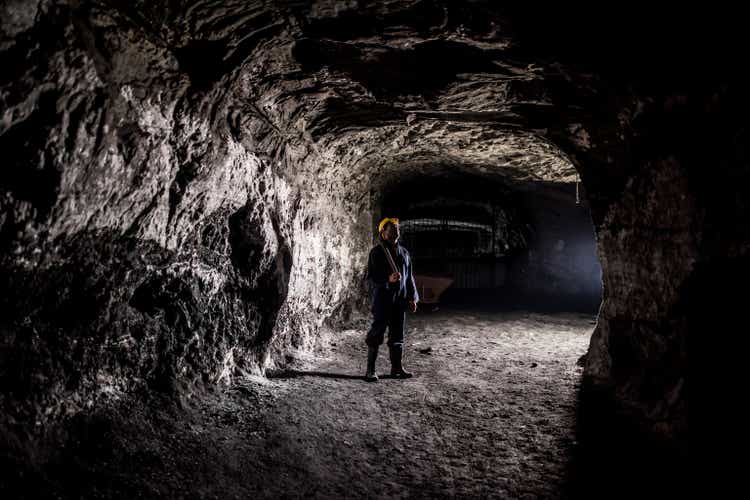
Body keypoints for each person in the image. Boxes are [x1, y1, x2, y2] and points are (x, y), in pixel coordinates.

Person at [364, 217, 419, 382]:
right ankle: (370, 370)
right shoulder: (377, 252)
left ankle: (396, 368)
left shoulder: (404, 253)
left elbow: (409, 278)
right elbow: (372, 277)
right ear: (383, 232)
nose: (396, 231)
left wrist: (412, 297)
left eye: (397, 228)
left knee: (397, 335)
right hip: (383, 300)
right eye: (392, 228)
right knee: (376, 333)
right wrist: (388, 279)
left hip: (400, 301)